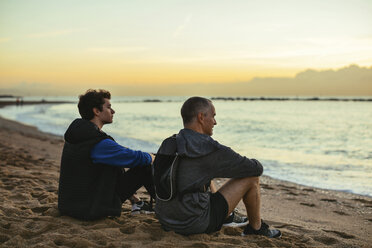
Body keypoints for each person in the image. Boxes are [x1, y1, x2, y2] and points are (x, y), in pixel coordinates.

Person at [154, 97, 281, 238]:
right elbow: (256, 169)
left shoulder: (168, 143)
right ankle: (256, 228)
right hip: (194, 223)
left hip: (166, 220)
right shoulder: (209, 148)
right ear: (201, 117)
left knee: (203, 174)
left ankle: (227, 217)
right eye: (213, 116)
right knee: (251, 178)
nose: (215, 122)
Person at [58, 89, 155, 220]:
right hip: (90, 208)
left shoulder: (79, 135)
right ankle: (167, 207)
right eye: (109, 107)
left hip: (72, 204)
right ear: (96, 111)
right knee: (145, 164)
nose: (113, 111)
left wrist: (133, 197)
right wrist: (152, 157)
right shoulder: (97, 143)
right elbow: (134, 158)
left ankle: (137, 203)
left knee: (113, 162)